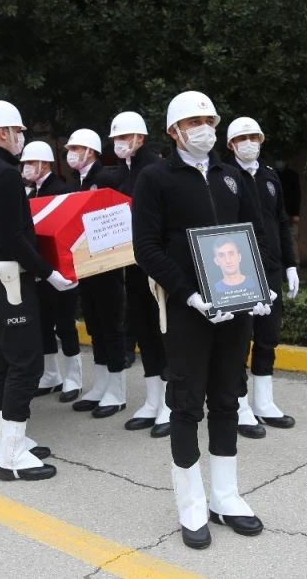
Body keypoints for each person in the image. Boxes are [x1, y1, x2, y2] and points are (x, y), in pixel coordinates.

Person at [132, 91, 272, 549]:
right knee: (187, 403)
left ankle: (226, 496)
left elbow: (252, 234)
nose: (206, 128)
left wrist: (261, 286)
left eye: (209, 120)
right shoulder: (156, 178)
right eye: (194, 122)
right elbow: (146, 247)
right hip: (189, 310)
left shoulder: (232, 177)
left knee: (229, 397)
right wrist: (188, 293)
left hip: (235, 306)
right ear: (174, 131)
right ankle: (192, 504)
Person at [0, 99, 76, 482]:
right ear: (3, 132)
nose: (20, 139)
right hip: (8, 278)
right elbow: (13, 237)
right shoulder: (4, 174)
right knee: (25, 363)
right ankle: (11, 456)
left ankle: (9, 438)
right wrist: (49, 273)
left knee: (3, 359)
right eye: (18, 132)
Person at [226, 117, 299, 438]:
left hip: (270, 268)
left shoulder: (270, 177)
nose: (249, 142)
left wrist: (290, 263)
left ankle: (264, 401)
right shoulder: (225, 177)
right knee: (240, 338)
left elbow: (281, 222)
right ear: (230, 145)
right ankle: (239, 405)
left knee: (268, 335)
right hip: (238, 271)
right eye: (242, 138)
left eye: (254, 136)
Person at [110, 111, 171, 438]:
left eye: (124, 137)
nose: (119, 144)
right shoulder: (123, 173)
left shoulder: (155, 170)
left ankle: (169, 403)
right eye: (116, 139)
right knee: (144, 331)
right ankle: (151, 399)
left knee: (161, 332)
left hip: (154, 264)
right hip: (131, 265)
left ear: (140, 138)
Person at [65, 128, 128, 419]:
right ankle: (101, 384)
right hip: (87, 265)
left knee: (111, 327)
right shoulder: (79, 181)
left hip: (107, 265)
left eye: (77, 147)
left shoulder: (105, 177)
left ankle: (117, 390)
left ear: (91, 151)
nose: (71, 153)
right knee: (96, 327)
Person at [20, 141, 83, 403]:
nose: (25, 168)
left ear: (43, 164)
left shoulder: (60, 190)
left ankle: (74, 378)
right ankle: (51, 374)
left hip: (60, 271)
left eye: (29, 163)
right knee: (43, 324)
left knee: (65, 324)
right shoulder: (31, 192)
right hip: (39, 270)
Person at [275, 159, 301, 264]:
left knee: (291, 240)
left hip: (289, 214)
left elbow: (297, 195)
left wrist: (296, 213)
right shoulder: (273, 175)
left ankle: (295, 264)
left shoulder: (292, 175)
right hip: (276, 214)